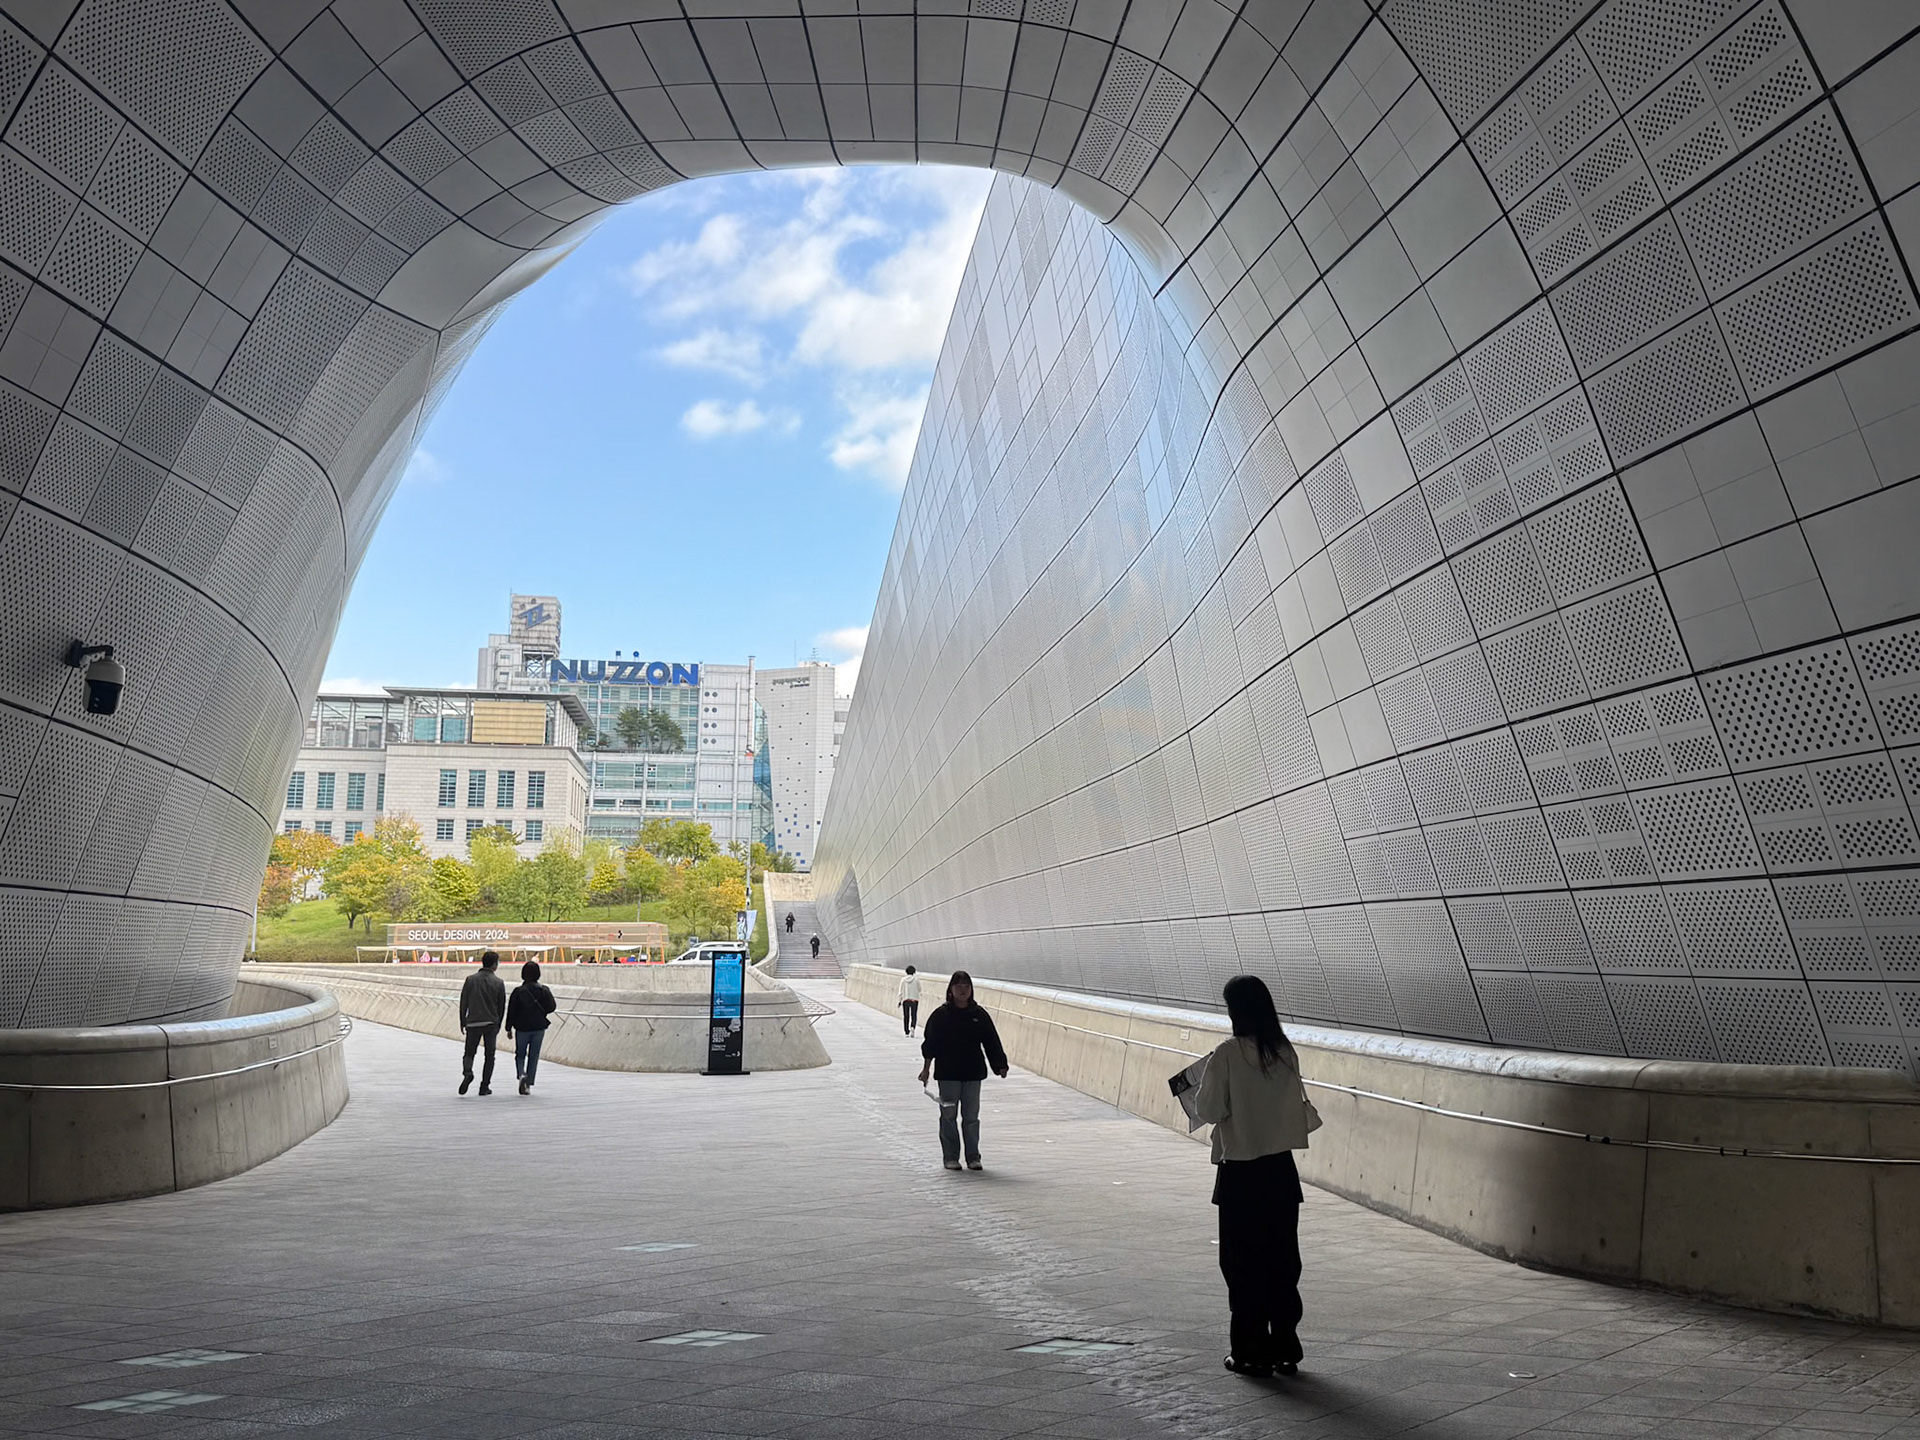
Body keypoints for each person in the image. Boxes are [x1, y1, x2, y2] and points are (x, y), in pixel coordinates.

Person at [1194, 975, 1315, 1379]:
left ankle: (1249, 1351)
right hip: (1281, 1173)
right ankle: (1285, 1349)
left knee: (1242, 1265)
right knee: (1282, 1264)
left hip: (1241, 1174)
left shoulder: (1226, 1054)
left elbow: (1208, 1109)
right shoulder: (1283, 1051)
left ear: (1235, 1010)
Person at [916, 970, 1008, 1171]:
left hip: (973, 1073)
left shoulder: (979, 1015)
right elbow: (930, 1044)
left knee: (971, 1117)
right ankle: (950, 1157)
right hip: (948, 1074)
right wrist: (926, 1070)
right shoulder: (941, 1015)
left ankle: (973, 1157)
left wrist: (999, 1064)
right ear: (951, 989)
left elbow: (991, 1041)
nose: (963, 989)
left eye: (966, 985)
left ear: (971, 989)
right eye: (958, 985)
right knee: (948, 1116)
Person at [504, 960, 558, 1095]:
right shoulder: (544, 990)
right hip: (539, 1027)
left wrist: (508, 1028)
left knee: (520, 1053)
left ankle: (521, 1073)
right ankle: (528, 1083)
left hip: (521, 1028)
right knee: (534, 1055)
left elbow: (511, 1010)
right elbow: (552, 1007)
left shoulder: (518, 992)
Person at [457, 951, 506, 1096]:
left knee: (469, 1053)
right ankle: (484, 1086)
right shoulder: (498, 982)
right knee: (489, 1056)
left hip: (473, 1022)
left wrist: (462, 1021)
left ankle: (468, 1072)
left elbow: (463, 1002)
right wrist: (499, 1024)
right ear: (494, 964)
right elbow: (501, 1006)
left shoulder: (470, 980)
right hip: (491, 1023)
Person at [898, 965, 921, 1036]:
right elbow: (919, 989)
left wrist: (899, 1000)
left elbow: (900, 991)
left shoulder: (903, 980)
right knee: (914, 1015)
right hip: (914, 1000)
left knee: (906, 1015)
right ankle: (912, 1027)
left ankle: (906, 1031)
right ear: (914, 972)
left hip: (906, 1000)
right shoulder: (916, 980)